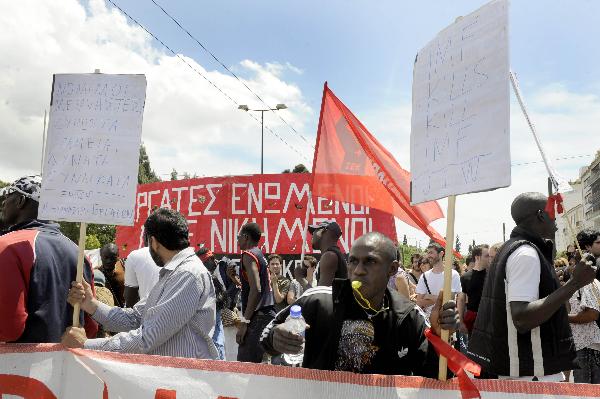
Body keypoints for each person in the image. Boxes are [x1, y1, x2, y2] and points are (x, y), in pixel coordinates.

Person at [260, 232, 460, 375]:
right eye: (353, 261)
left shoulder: (408, 315)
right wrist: (276, 339)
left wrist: (440, 337)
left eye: (370, 262)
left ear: (392, 269)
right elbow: (267, 335)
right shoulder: (318, 300)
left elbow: (434, 376)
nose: (358, 270)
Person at [468, 192, 596, 381]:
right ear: (540, 215)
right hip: (533, 375)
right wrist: (575, 283)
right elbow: (522, 318)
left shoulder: (517, 249)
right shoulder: (525, 254)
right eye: (552, 212)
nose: (556, 218)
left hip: (529, 372)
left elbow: (554, 307)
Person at [61, 208, 218, 359]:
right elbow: (135, 319)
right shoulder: (174, 273)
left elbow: (147, 338)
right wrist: (90, 303)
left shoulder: (187, 274)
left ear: (153, 241)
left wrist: (86, 345)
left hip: (182, 381)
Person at [0, 175, 97, 342]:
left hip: (18, 365)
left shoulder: (8, 246)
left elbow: (8, 329)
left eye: (8, 196)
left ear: (21, 201)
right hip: (69, 364)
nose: (3, 203)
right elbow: (91, 327)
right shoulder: (79, 253)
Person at [235, 222, 275, 363]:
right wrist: (233, 278)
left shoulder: (248, 255)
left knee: (245, 368)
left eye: (238, 237)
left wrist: (244, 323)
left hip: (257, 317)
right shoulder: (259, 254)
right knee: (259, 368)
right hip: (265, 315)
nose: (237, 240)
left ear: (245, 237)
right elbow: (255, 287)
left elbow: (256, 289)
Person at [415, 243, 462, 317]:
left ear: (441, 254)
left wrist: (428, 296)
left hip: (446, 321)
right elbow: (419, 302)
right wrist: (439, 298)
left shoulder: (453, 274)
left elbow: (449, 301)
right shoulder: (424, 276)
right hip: (428, 322)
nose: (428, 256)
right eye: (428, 253)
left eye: (431, 252)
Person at [197, 247, 227, 360]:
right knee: (216, 340)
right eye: (211, 259)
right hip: (205, 319)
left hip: (214, 315)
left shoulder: (213, 277)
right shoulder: (203, 278)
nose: (215, 261)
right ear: (204, 262)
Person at [460, 245, 490, 335]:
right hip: (472, 320)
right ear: (477, 257)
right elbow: (461, 300)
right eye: (487, 256)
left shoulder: (492, 275)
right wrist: (461, 322)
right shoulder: (465, 277)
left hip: (490, 319)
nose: (489, 258)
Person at [308, 221, 347, 286]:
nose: (312, 234)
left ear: (323, 230)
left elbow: (322, 294)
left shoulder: (329, 256)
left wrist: (301, 279)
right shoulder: (334, 254)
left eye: (315, 230)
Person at [99, 243, 126, 307]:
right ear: (100, 255)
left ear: (118, 256)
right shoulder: (97, 274)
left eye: (112, 258)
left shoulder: (125, 266)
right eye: (106, 257)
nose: (108, 261)